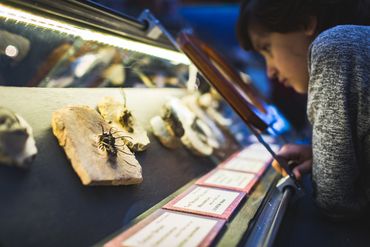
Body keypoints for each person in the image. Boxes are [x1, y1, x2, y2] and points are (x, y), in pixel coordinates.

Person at [237, 0, 370, 219]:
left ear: (305, 23)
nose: (270, 71)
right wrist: (320, 156)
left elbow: (335, 200)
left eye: (267, 48)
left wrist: (329, 169)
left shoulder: (335, 48)